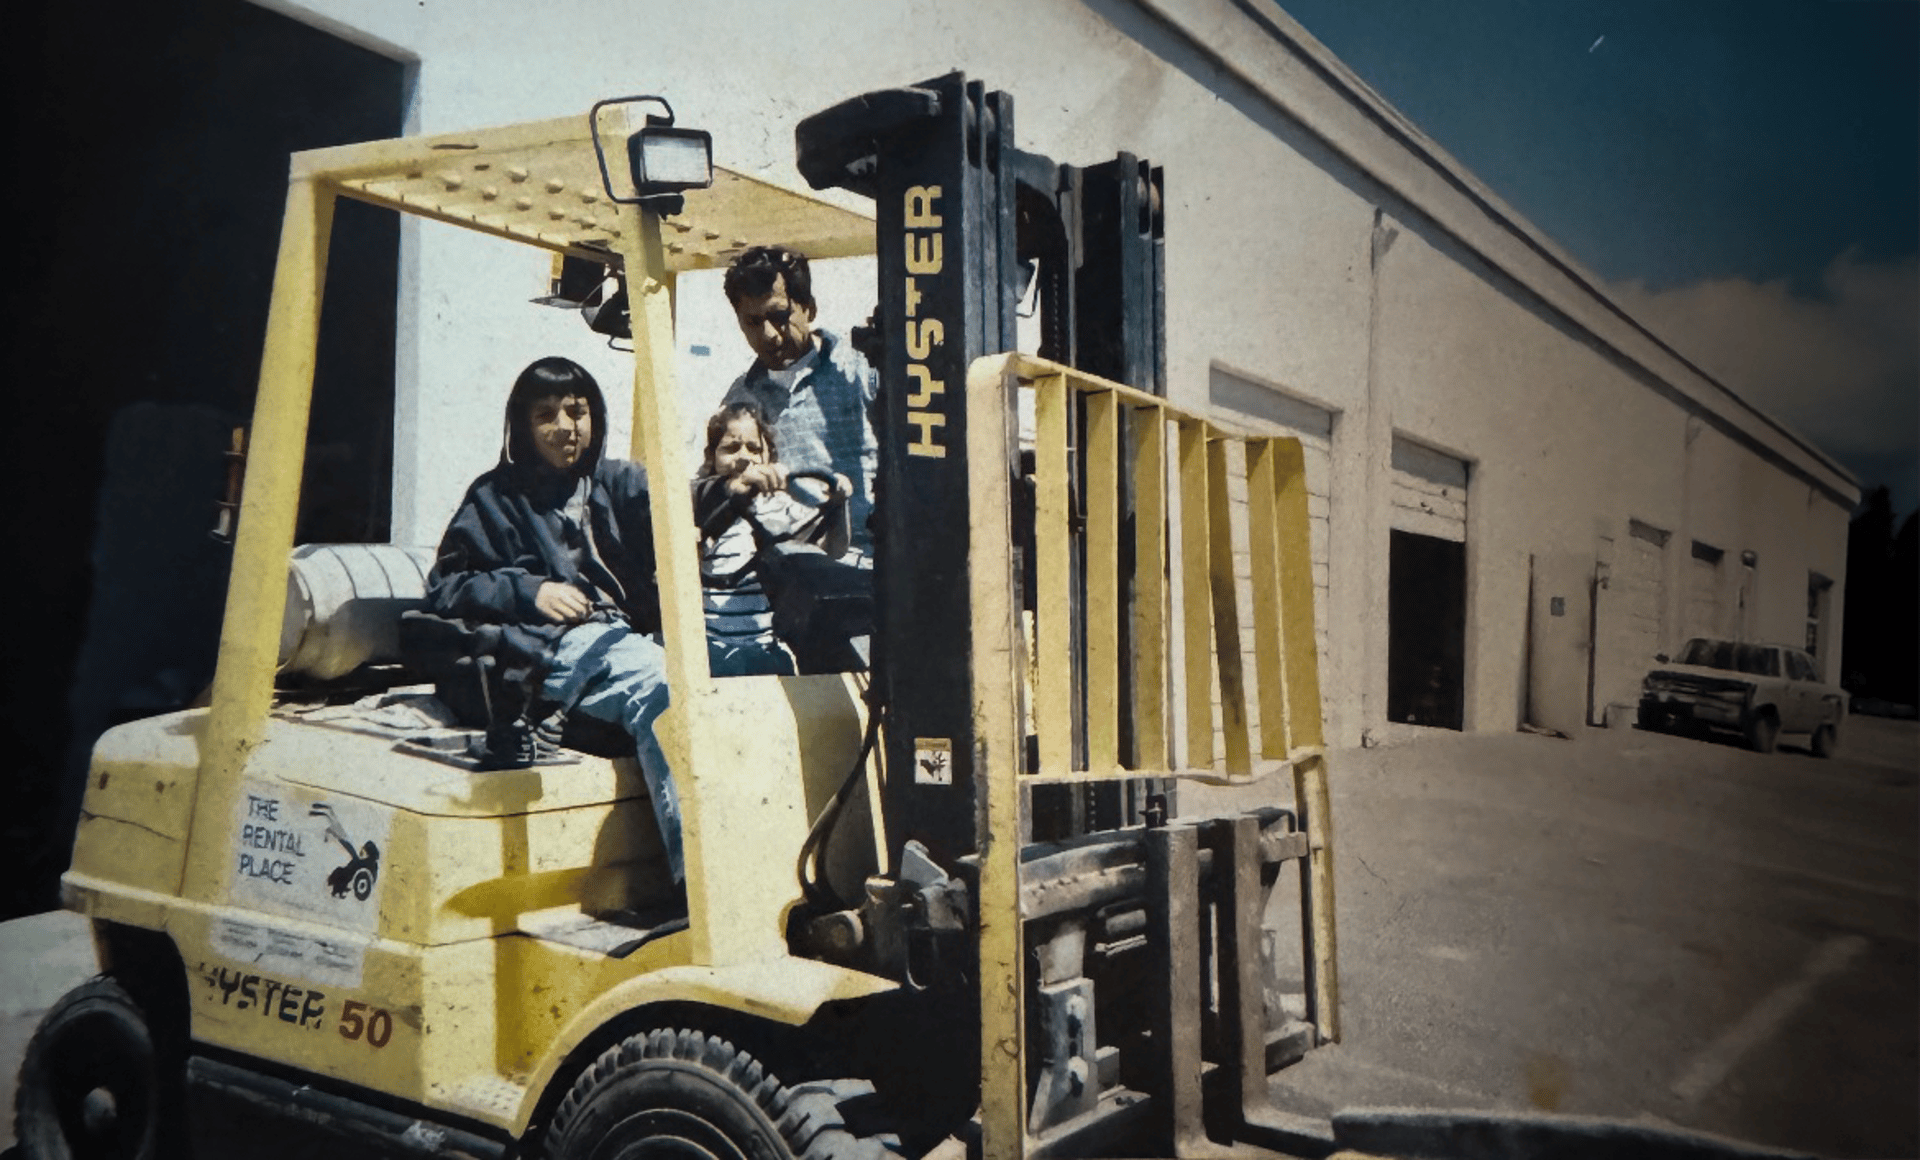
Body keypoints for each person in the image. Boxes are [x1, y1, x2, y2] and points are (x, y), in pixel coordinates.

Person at [425, 356, 683, 883]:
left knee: (741, 671)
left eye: (577, 410)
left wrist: (728, 484)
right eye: (547, 415)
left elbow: (677, 501)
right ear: (523, 425)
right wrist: (530, 589)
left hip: (619, 641)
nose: (566, 427)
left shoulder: (612, 483)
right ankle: (698, 883)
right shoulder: (495, 498)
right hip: (549, 645)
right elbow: (447, 586)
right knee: (669, 689)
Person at [722, 245, 879, 560]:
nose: (769, 335)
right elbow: (716, 483)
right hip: (794, 563)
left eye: (779, 316)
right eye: (752, 322)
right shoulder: (740, 399)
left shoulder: (863, 369)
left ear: (810, 308)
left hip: (873, 558)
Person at [694, 401, 852, 677]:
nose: (744, 457)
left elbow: (835, 549)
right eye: (731, 448)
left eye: (754, 449)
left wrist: (840, 505)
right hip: (711, 649)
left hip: (766, 647)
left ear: (769, 458)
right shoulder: (699, 506)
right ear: (711, 456)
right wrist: (733, 496)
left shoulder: (778, 506)